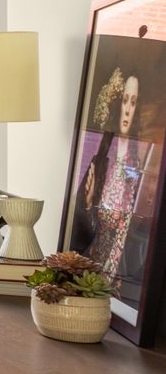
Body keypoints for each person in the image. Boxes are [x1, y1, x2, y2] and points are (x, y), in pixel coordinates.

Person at [81, 71, 145, 287]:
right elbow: (88, 223)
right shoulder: (103, 153)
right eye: (125, 100)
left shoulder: (139, 157)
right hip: (95, 253)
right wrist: (89, 200)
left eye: (133, 102)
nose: (127, 108)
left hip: (120, 259)